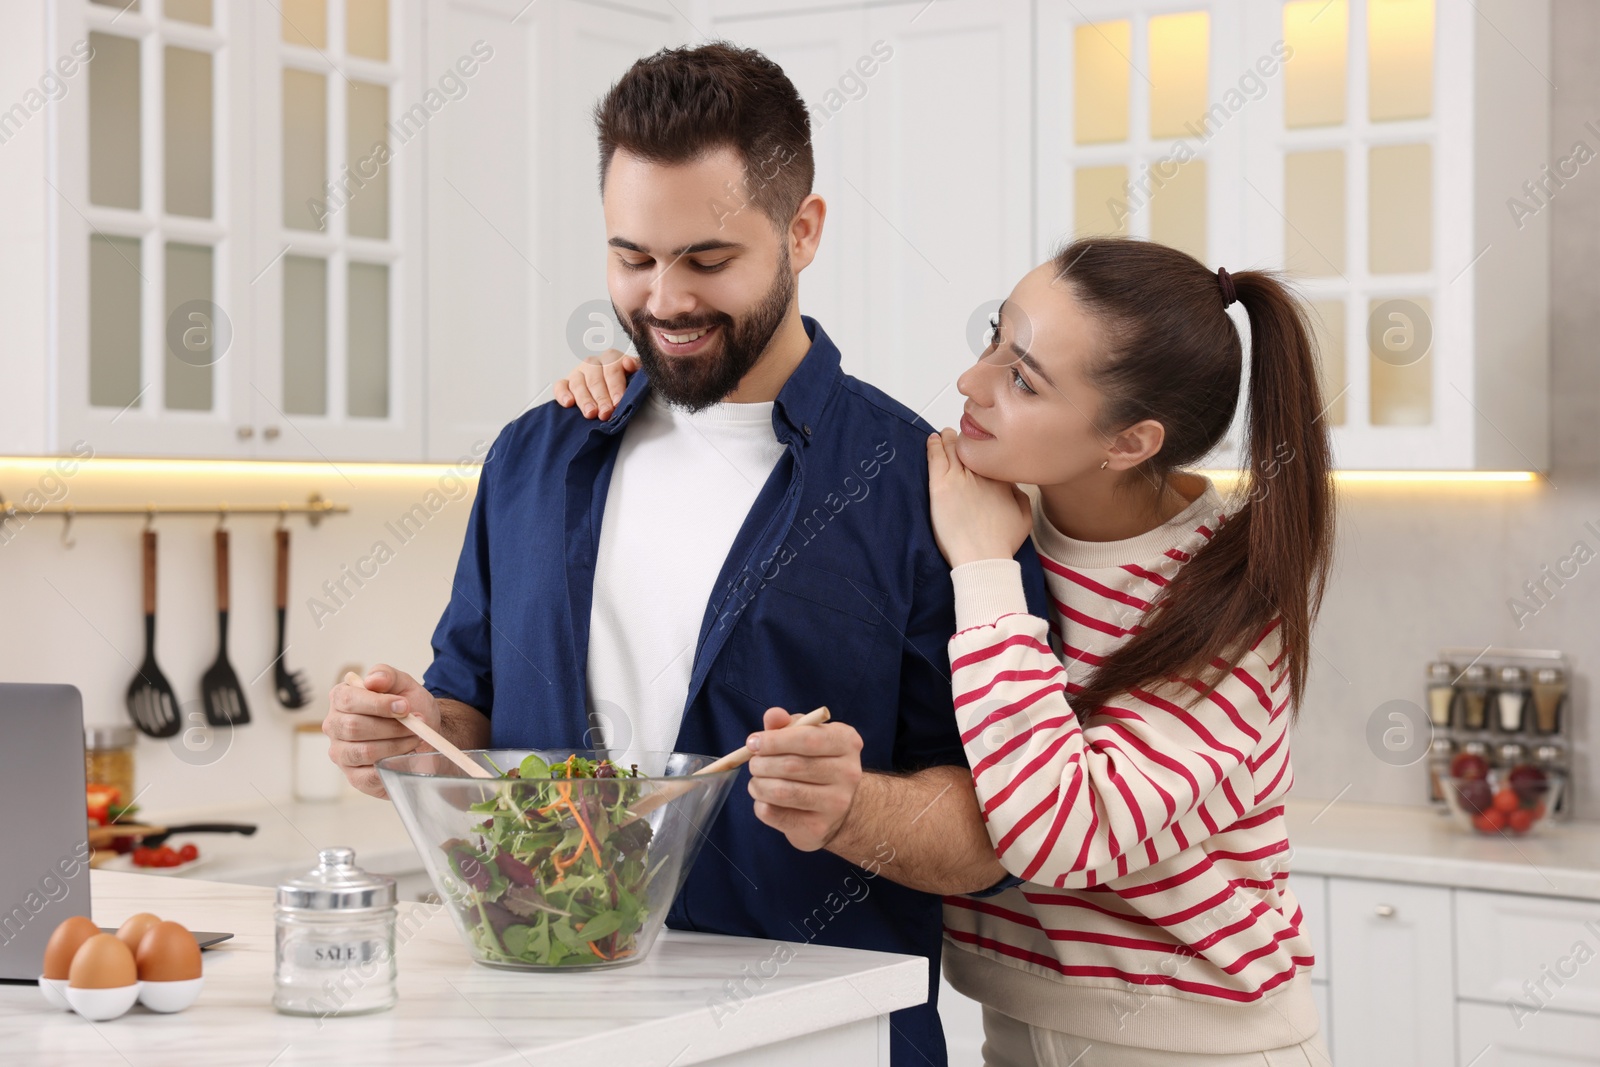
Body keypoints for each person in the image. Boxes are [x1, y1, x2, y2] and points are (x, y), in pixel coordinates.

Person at [321, 42, 1046, 1067]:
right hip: (549, 1029)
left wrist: (852, 807)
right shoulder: (536, 456)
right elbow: (466, 715)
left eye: (707, 260)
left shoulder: (927, 490)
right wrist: (408, 734)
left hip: (814, 1041)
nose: (664, 300)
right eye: (632, 257)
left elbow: (996, 832)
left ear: (804, 230)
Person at [566, 237, 1336, 1064]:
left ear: (1128, 443)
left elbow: (1053, 832)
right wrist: (658, 385)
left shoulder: (1225, 606)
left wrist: (983, 568)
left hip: (1193, 1043)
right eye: (994, 340)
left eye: (1023, 379)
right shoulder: (982, 502)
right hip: (1012, 1028)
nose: (973, 383)